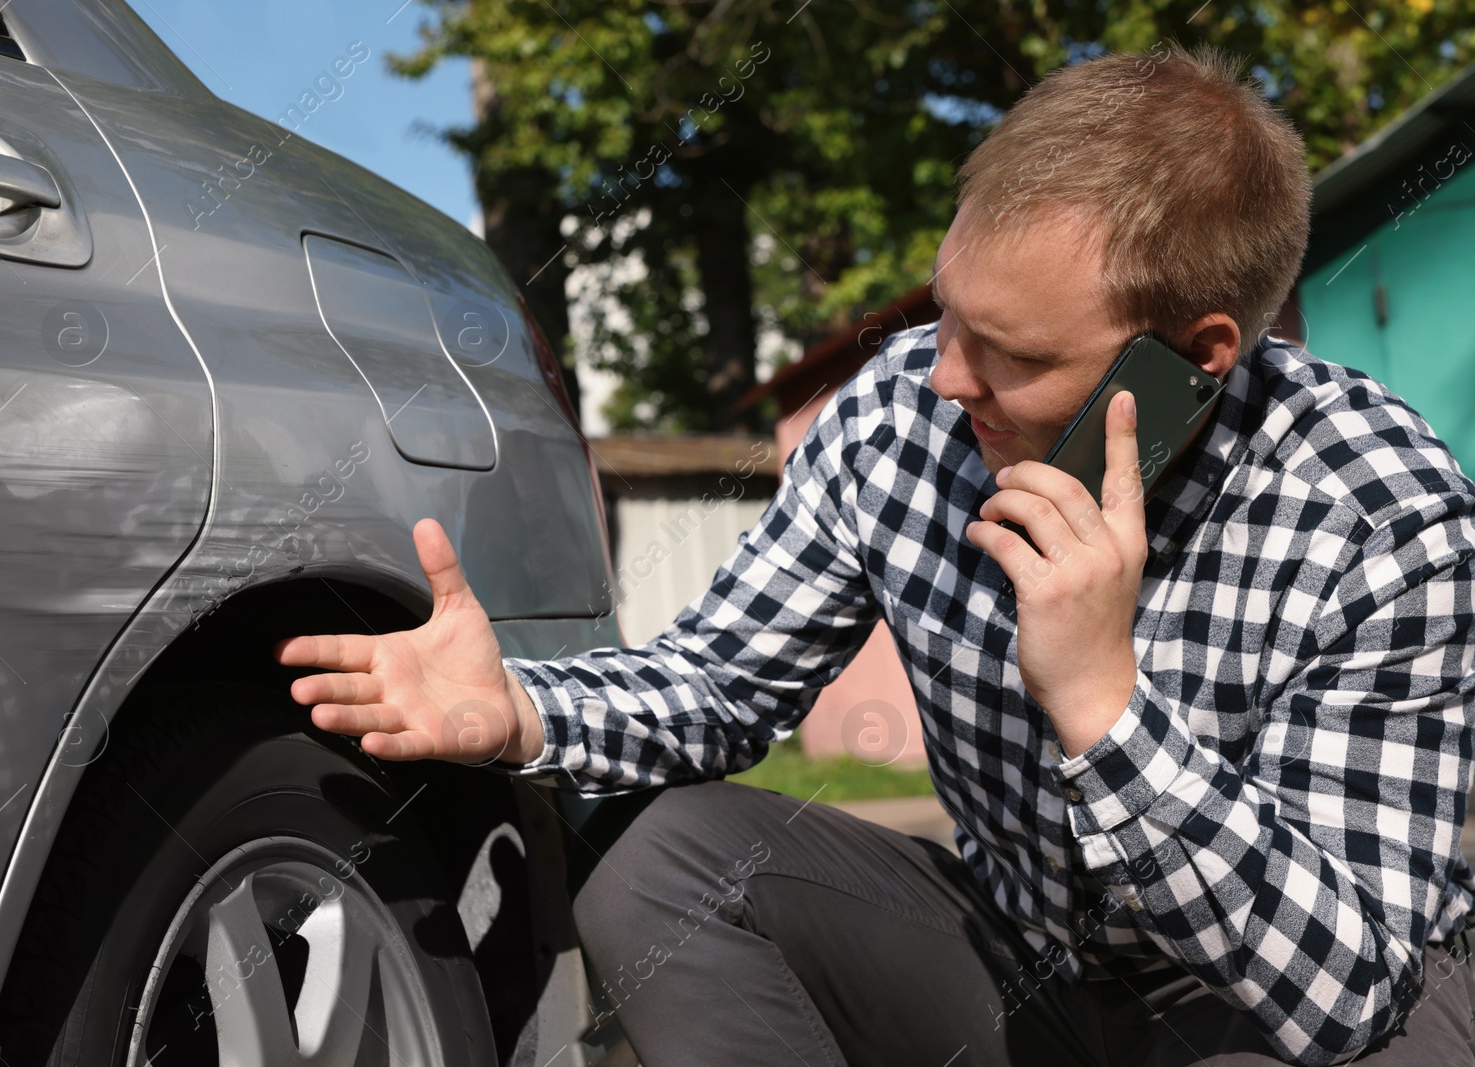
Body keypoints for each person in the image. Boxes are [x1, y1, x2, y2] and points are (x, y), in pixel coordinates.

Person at [274, 46, 1475, 1066]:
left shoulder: (1387, 521)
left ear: (1193, 353)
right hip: (1022, 970)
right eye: (946, 312)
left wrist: (1107, 711)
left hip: (1267, 1009)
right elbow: (718, 684)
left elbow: (1346, 984)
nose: (945, 374)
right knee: (669, 859)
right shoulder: (907, 413)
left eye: (1004, 350)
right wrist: (520, 708)